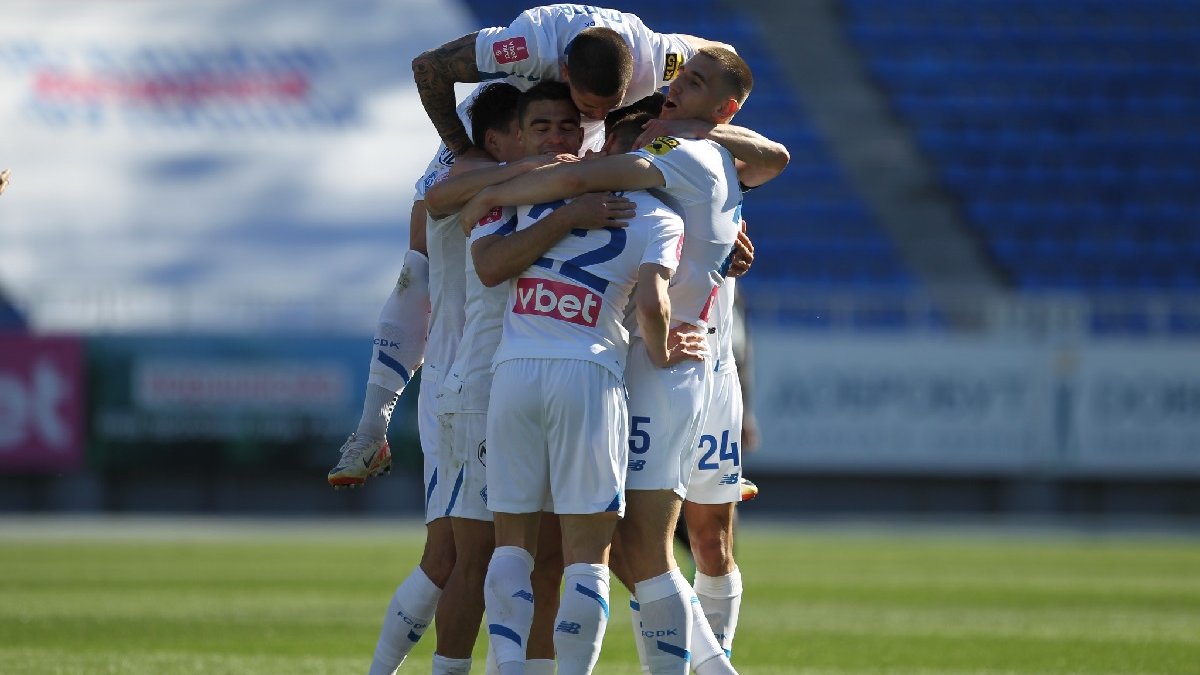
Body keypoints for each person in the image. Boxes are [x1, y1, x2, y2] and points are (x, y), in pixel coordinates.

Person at [458, 47, 788, 675]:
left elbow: (581, 181)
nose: (677, 87)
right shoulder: (696, 164)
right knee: (621, 548)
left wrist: (491, 195)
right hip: (644, 360)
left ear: (722, 108)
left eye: (695, 84)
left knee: (640, 550)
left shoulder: (679, 157)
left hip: (663, 362)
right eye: (680, 77)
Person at [473, 83, 703, 675]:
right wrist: (663, 351)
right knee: (587, 558)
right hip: (590, 373)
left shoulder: (531, 191)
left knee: (511, 546)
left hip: (515, 369)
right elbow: (652, 301)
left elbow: (485, 255)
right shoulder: (660, 216)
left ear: (602, 144)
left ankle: (508, 666)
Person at [420, 81, 633, 675]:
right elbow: (451, 215)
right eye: (542, 127)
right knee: (469, 555)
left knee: (553, 557)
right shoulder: (504, 189)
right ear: (516, 134)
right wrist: (553, 196)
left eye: (568, 126)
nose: (557, 137)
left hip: (555, 380)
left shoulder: (609, 194)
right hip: (487, 385)